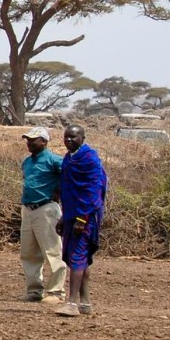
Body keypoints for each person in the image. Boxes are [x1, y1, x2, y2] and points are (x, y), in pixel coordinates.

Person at [56, 125, 107, 319]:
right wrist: (64, 216)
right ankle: (85, 302)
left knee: (77, 256)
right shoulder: (70, 158)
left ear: (83, 138)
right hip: (71, 213)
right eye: (66, 137)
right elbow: (69, 190)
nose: (69, 140)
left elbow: (93, 190)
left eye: (73, 137)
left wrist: (81, 218)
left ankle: (71, 303)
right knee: (80, 257)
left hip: (85, 216)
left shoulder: (89, 158)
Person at [19, 126, 68, 304]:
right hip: (28, 209)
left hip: (46, 208)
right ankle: (34, 290)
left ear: (44, 142)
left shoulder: (54, 160)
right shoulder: (27, 162)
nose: (30, 143)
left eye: (34, 140)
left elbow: (69, 176)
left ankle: (56, 291)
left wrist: (59, 192)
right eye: (28, 140)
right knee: (29, 252)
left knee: (53, 251)